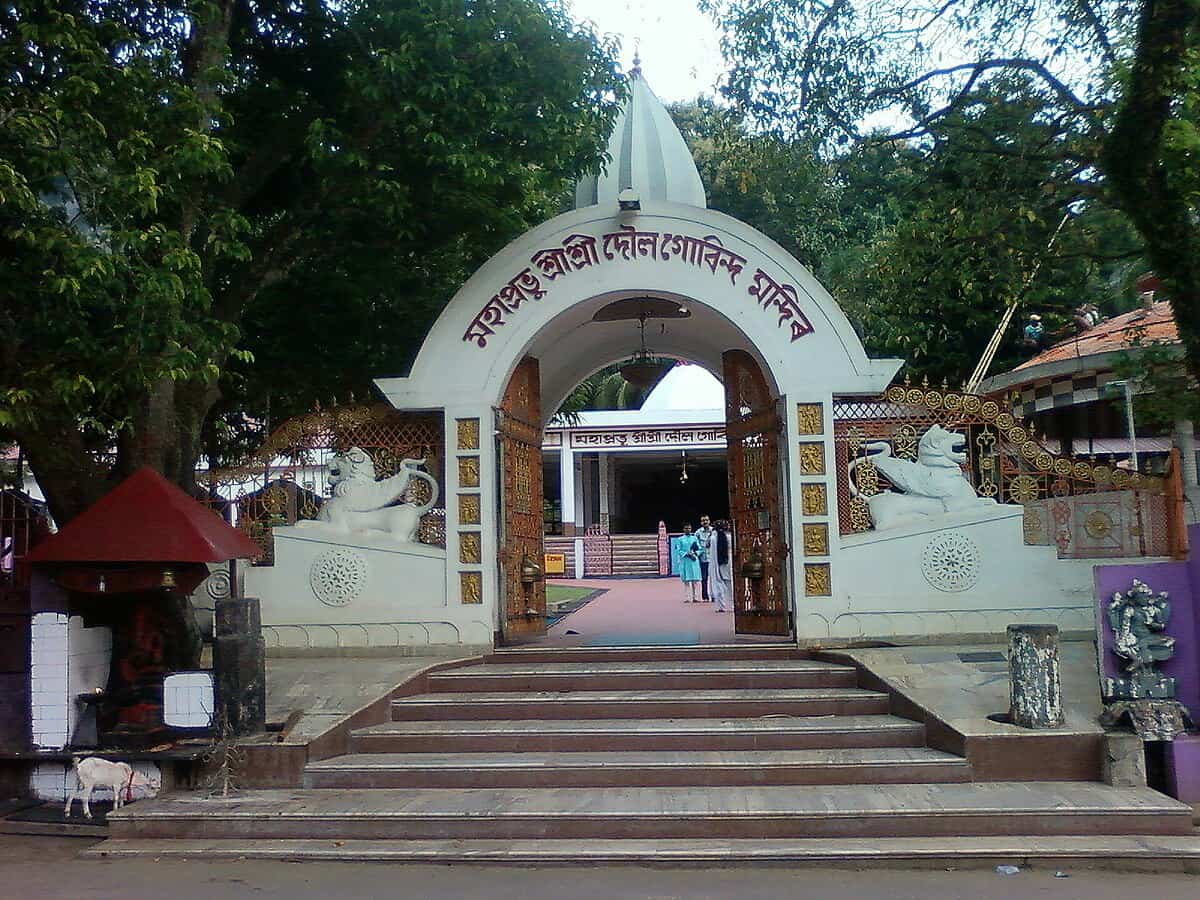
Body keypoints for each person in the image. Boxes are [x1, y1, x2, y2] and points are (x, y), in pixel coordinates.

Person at [706, 519, 734, 613]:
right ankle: (733, 605)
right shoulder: (729, 536)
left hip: (717, 562)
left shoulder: (713, 537)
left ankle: (722, 606)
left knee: (718, 583)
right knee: (730, 584)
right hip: (728, 561)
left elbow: (706, 545)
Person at [677, 523, 703, 603]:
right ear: (683, 529)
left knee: (695, 581)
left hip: (694, 560)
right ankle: (687, 597)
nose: (688, 530)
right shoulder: (680, 539)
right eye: (686, 528)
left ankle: (695, 597)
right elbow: (678, 550)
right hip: (685, 561)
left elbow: (700, 549)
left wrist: (695, 554)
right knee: (686, 581)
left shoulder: (694, 538)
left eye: (689, 528)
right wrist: (687, 554)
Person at [696, 515, 714, 601]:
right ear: (701, 522)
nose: (705, 522)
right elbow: (695, 545)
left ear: (709, 521)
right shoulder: (698, 533)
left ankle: (714, 596)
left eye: (706, 520)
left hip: (713, 559)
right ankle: (705, 596)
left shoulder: (714, 531)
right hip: (703, 559)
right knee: (704, 578)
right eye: (703, 521)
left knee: (714, 578)